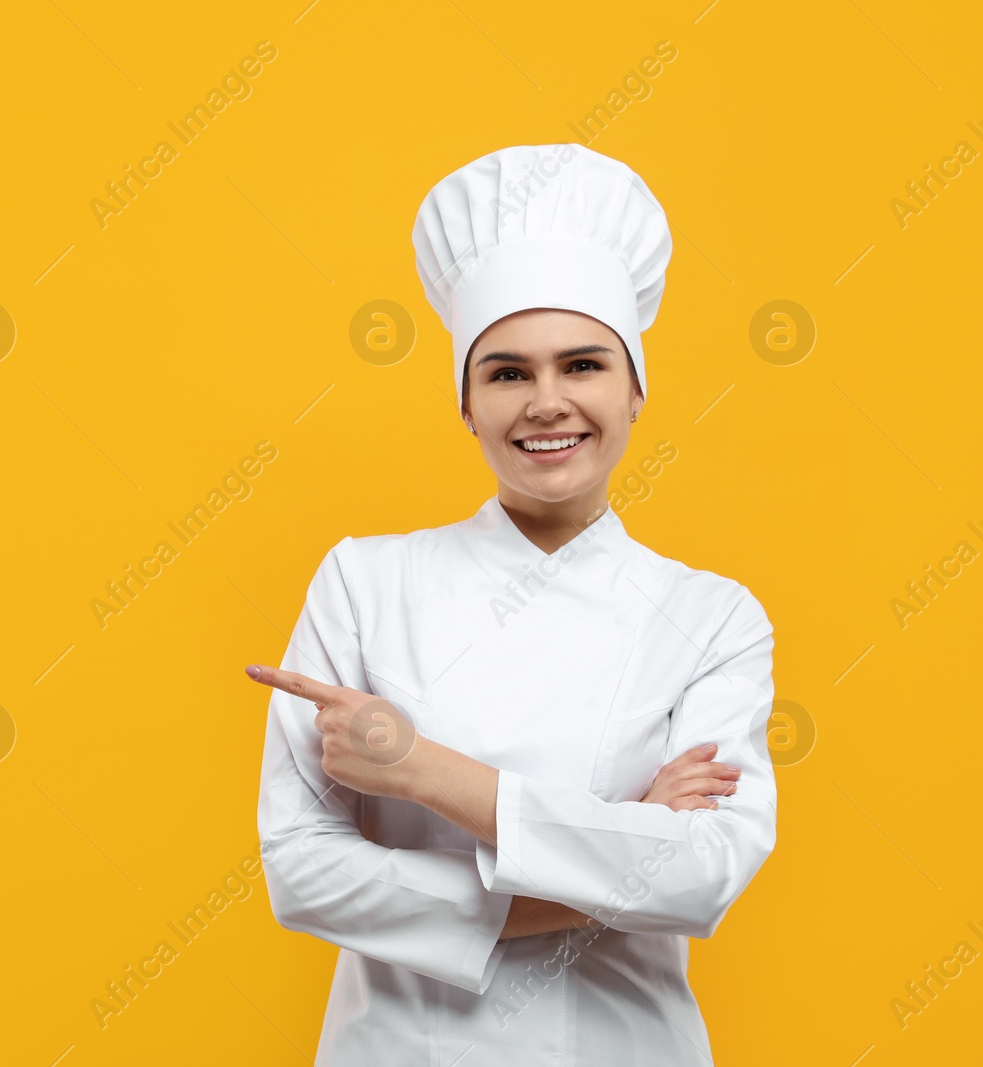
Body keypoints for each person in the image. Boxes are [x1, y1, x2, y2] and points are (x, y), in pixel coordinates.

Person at [245, 143, 777, 1065]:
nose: (547, 403)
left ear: (635, 388)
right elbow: (301, 869)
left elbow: (703, 875)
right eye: (506, 372)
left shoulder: (713, 617)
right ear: (466, 401)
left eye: (583, 365)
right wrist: (611, 859)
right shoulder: (365, 582)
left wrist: (421, 770)